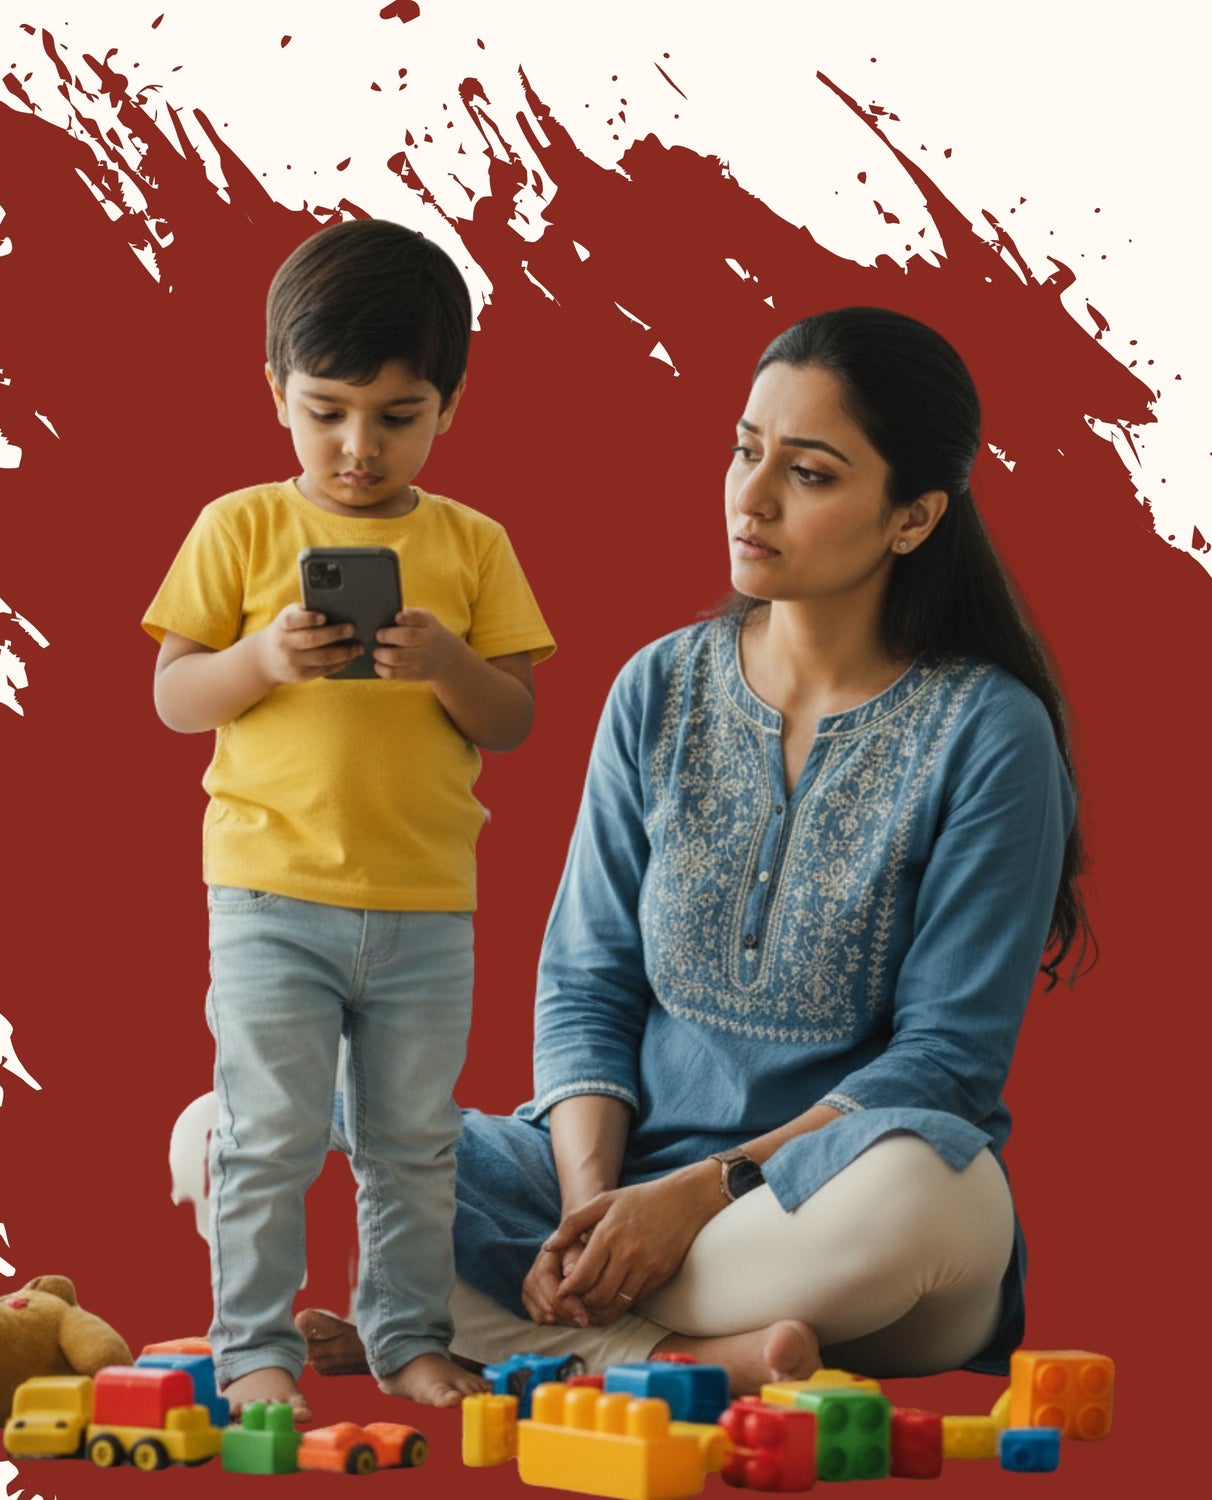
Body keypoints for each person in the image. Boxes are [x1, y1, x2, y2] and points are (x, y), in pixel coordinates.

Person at [297, 305, 1087, 1399]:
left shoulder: (989, 733)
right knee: (243, 1121)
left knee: (932, 1195)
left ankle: (492, 1320)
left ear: (913, 518)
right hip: (616, 1185)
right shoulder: (659, 688)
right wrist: (592, 1208)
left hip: (833, 1212)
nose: (750, 497)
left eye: (808, 474)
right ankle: (672, 1360)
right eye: (744, 449)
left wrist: (697, 1199)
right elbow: (587, 984)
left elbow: (944, 1062)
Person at [143, 217, 555, 1419]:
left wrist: (444, 665)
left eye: (397, 415)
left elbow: (513, 719)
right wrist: (262, 657)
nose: (358, 448)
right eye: (326, 410)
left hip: (426, 903)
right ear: (275, 392)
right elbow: (173, 695)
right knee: (266, 1138)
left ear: (450, 406)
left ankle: (405, 1339)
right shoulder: (240, 528)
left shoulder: (474, 546)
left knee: (412, 1149)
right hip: (270, 897)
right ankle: (253, 1350)